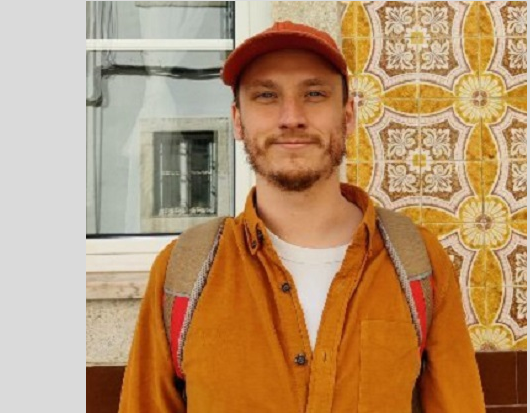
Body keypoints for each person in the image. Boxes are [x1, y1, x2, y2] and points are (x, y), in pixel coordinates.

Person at [118, 21, 485, 413]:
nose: (291, 117)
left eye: (313, 93)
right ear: (238, 121)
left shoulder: (417, 262)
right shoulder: (183, 271)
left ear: (347, 115)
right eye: (265, 95)